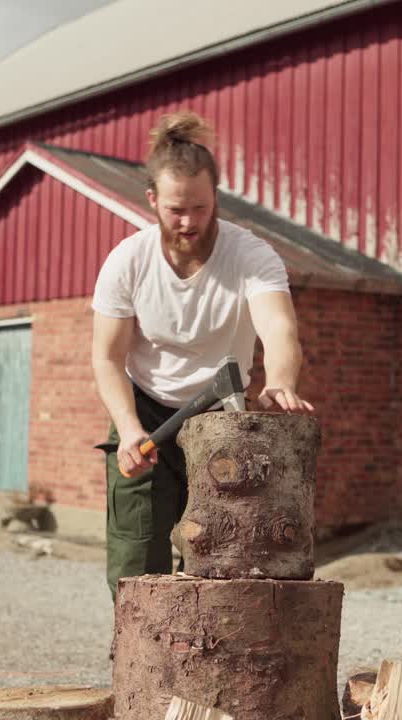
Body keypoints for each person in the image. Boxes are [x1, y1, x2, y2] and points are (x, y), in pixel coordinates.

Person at [90, 111, 314, 600]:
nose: (188, 222)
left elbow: (278, 326)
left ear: (216, 197)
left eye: (200, 207)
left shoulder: (251, 256)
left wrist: (279, 380)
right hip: (146, 416)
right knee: (135, 563)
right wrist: (129, 429)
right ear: (151, 200)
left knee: (226, 554)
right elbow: (107, 358)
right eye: (175, 209)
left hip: (220, 422)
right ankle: (140, 669)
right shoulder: (128, 262)